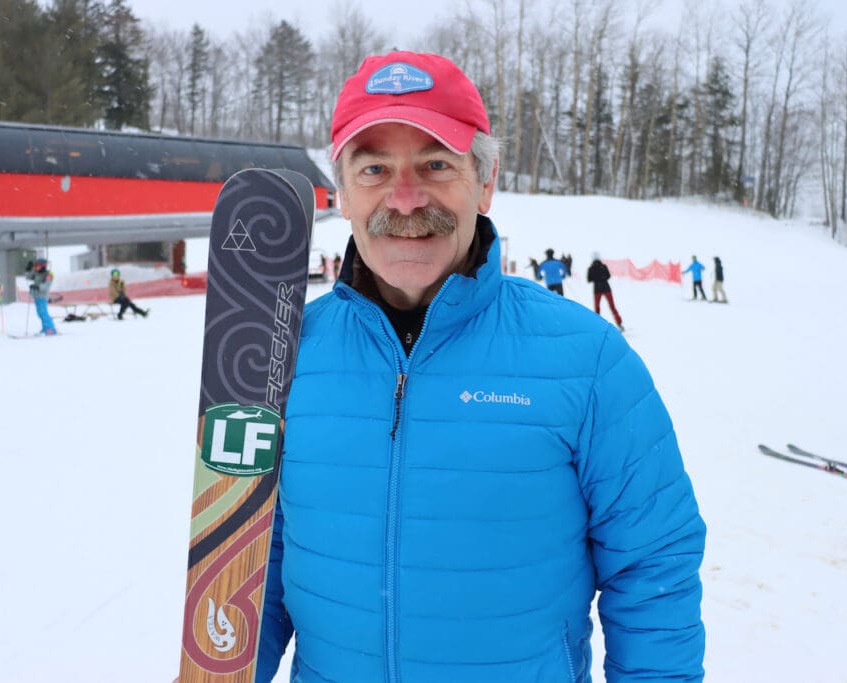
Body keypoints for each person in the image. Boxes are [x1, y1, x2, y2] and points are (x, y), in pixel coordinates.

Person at [252, 50, 706, 683]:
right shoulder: (284, 351)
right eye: (375, 168)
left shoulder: (587, 359)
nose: (404, 199)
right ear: (344, 195)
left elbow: (652, 566)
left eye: (436, 165)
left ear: (485, 183)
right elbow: (257, 551)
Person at [587, 252, 624, 332]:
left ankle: (597, 325)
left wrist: (596, 277)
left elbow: (589, 279)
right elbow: (608, 276)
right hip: (606, 288)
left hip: (597, 289)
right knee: (612, 306)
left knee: (597, 308)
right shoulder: (603, 266)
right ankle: (619, 324)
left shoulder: (591, 268)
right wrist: (602, 277)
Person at [26, 257, 57, 335]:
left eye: (37, 266)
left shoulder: (49, 274)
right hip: (36, 295)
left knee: (43, 313)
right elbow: (28, 277)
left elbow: (46, 286)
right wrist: (28, 269)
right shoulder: (36, 272)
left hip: (42, 296)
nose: (35, 267)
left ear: (43, 266)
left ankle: (51, 329)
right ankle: (45, 328)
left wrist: (37, 286)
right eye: (35, 266)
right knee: (40, 313)